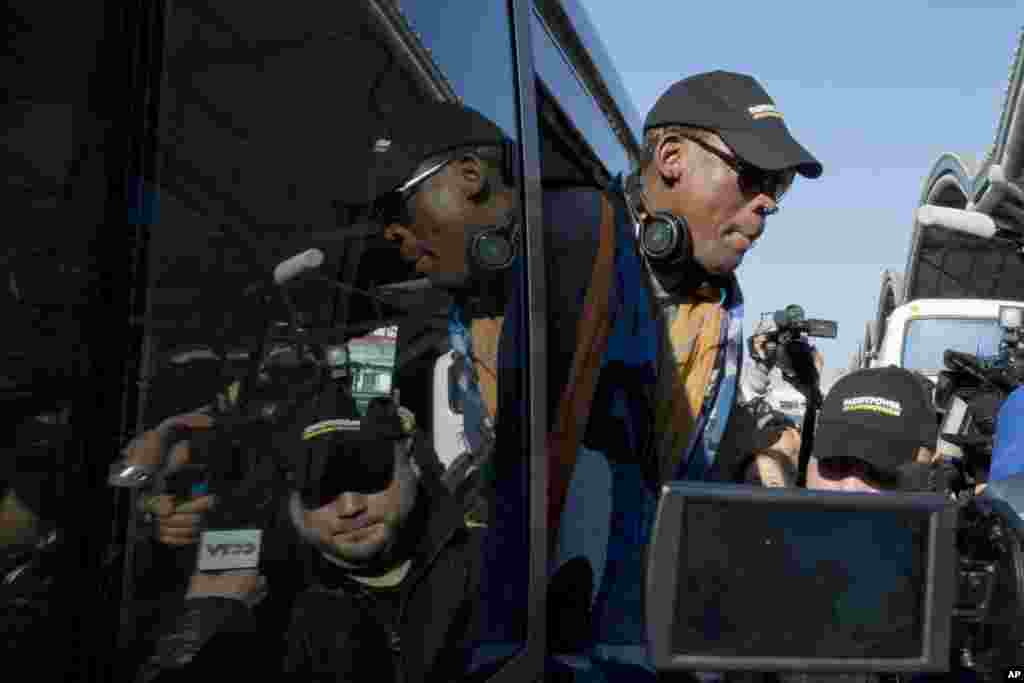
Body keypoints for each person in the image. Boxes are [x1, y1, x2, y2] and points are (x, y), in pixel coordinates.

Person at [133, 396, 483, 682]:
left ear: (409, 458)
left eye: (369, 476)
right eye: (320, 487)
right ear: (290, 495)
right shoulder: (262, 601)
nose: (350, 507)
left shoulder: (486, 552)